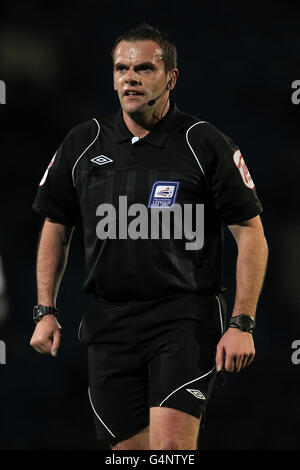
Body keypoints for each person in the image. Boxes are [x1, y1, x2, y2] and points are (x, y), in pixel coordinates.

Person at [30, 23, 268, 450]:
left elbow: (251, 233)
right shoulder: (83, 143)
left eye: (143, 68)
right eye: (122, 68)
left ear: (171, 77)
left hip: (183, 319)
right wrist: (44, 309)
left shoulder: (203, 142)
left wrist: (241, 322)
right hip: (109, 325)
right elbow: (55, 225)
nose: (130, 78)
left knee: (172, 454)